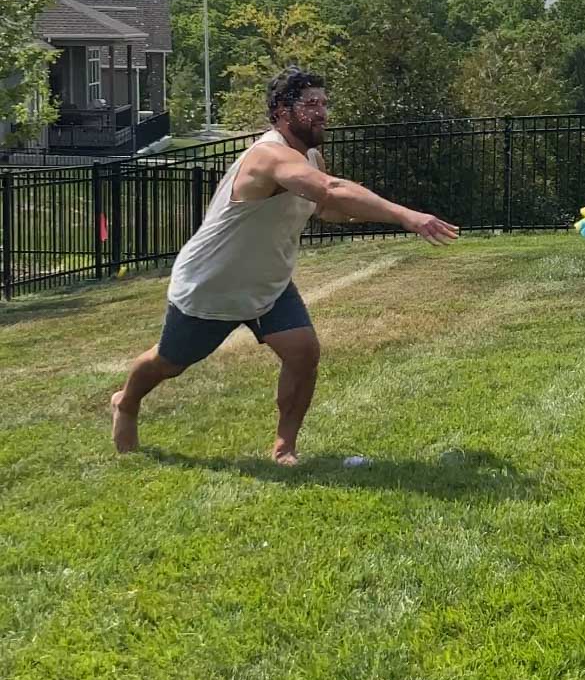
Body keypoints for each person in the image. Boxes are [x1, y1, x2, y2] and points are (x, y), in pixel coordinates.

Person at [111, 66, 459, 464]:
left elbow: (325, 206)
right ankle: (126, 402)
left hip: (268, 283)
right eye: (311, 104)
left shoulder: (310, 156)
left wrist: (373, 214)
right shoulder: (268, 156)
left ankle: (284, 448)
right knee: (168, 363)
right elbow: (330, 189)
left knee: (303, 352)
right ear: (281, 111)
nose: (322, 112)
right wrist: (405, 215)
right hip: (213, 285)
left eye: (325, 104)